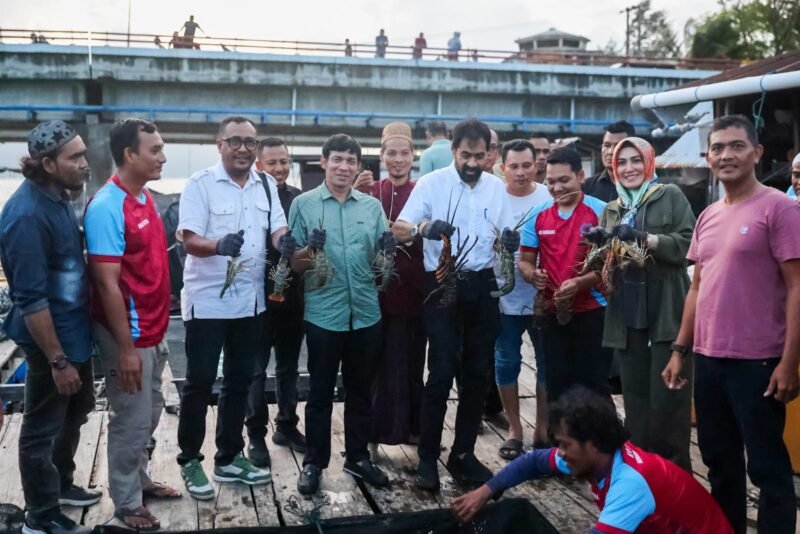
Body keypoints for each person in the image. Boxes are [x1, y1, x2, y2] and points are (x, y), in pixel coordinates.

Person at [662, 115, 800, 534]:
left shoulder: (781, 208)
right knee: (719, 463)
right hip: (709, 360)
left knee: (767, 467)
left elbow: (797, 288)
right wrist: (679, 350)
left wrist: (789, 363)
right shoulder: (708, 216)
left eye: (737, 146)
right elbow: (697, 288)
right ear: (708, 157)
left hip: (758, 362)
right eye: (718, 147)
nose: (726, 155)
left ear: (756, 153)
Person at [393, 119, 518, 491]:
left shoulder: (497, 187)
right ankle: (428, 457)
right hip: (442, 282)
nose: (473, 162)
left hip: (483, 284)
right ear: (453, 151)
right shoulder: (431, 184)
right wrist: (422, 229)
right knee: (442, 372)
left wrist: (509, 242)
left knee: (477, 376)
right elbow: (399, 226)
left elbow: (505, 233)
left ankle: (463, 454)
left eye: (480, 156)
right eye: (466, 155)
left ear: (489, 154)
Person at [176, 116, 288, 500]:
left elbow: (277, 229)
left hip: (251, 300)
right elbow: (189, 239)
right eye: (235, 141)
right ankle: (190, 458)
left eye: (250, 143)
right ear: (219, 144)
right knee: (199, 382)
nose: (243, 148)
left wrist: (287, 242)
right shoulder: (200, 185)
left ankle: (228, 456)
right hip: (208, 302)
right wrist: (218, 245)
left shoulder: (268, 185)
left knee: (240, 380)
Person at [453, 387, 734, 534]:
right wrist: (485, 491)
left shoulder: (630, 484)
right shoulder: (598, 456)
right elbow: (534, 461)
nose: (559, 453)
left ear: (594, 443)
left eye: (565, 445)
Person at [1, 120, 98, 534]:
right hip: (48, 344)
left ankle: (61, 485)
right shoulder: (25, 216)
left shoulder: (59, 195)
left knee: (77, 411)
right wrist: (58, 361)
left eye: (83, 153)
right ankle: (41, 517)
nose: (85, 164)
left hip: (73, 333)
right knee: (39, 431)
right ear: (47, 163)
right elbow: (31, 299)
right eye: (75, 157)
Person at [84, 119, 179, 530]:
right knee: (130, 417)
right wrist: (125, 349)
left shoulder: (143, 199)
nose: (162, 156)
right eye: (154, 150)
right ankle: (125, 502)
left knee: (152, 410)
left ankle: (139, 479)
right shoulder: (107, 206)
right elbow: (106, 284)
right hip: (130, 334)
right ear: (129, 155)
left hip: (154, 330)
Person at [289, 134, 393, 495]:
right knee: (318, 391)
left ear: (358, 167)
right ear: (323, 162)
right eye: (337, 160)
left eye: (351, 161)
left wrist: (389, 252)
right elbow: (295, 264)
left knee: (361, 390)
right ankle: (314, 462)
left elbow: (382, 262)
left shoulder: (372, 208)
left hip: (366, 311)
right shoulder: (303, 205)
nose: (344, 167)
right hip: (322, 313)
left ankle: (358, 457)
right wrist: (308, 250)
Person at [594, 137, 695, 471]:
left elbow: (687, 246)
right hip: (627, 319)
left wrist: (647, 239)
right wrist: (598, 248)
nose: (628, 168)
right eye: (621, 162)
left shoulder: (670, 195)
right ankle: (644, 485)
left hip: (666, 318)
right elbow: (604, 270)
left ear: (649, 161)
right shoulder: (612, 209)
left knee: (669, 409)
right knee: (636, 409)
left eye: (635, 160)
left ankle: (676, 489)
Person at [518, 148, 610, 403]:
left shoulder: (602, 212)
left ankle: (600, 442)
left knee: (594, 382)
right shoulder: (537, 214)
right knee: (556, 382)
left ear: (580, 176)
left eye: (564, 180)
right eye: (550, 182)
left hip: (593, 309)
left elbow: (610, 265)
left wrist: (580, 283)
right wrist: (532, 275)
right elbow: (525, 261)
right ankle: (561, 442)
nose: (557, 188)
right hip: (550, 311)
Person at [245, 138, 306, 460]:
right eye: (272, 163)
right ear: (259, 165)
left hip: (293, 296)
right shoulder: (252, 197)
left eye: (284, 162)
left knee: (288, 367)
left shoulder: (299, 199)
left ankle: (286, 424)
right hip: (258, 297)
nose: (280, 168)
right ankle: (255, 434)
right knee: (256, 370)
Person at [493, 140, 552, 461]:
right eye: (513, 166)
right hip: (503, 295)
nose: (520, 172)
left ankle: (543, 429)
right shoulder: (492, 196)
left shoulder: (547, 196)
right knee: (506, 360)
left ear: (536, 165)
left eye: (526, 165)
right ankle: (514, 429)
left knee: (546, 362)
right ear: (503, 168)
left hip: (543, 294)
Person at [369, 123, 427, 446]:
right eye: (391, 153)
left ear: (412, 155)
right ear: (382, 156)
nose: (398, 159)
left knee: (414, 364)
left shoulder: (423, 189)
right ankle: (379, 432)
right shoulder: (370, 192)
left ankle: (415, 429)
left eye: (404, 153)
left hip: (416, 291)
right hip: (379, 295)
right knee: (381, 367)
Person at [583, 121, 636, 202]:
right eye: (607, 145)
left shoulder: (643, 187)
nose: (610, 152)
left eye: (618, 146)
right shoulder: (587, 187)